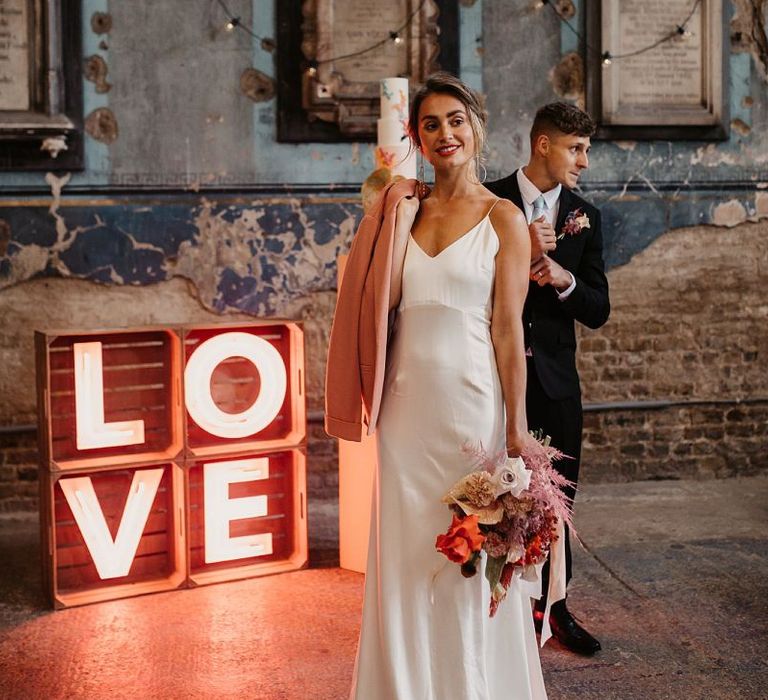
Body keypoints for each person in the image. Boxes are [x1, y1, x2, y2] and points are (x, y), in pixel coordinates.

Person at [326, 73, 550, 699]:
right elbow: (376, 306)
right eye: (430, 124)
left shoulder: (504, 218)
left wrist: (515, 430)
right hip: (404, 409)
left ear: (477, 127)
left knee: (469, 558)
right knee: (403, 557)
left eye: (456, 120)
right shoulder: (400, 212)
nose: (445, 133)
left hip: (473, 409)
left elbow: (508, 330)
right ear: (417, 138)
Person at [487, 102, 610, 656]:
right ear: (543, 144)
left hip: (558, 384)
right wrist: (519, 253)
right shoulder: (487, 201)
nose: (584, 161)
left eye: (586, 149)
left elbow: (599, 308)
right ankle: (496, 611)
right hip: (492, 376)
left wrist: (563, 279)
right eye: (576, 148)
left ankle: (555, 610)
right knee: (494, 494)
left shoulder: (585, 216)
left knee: (556, 503)